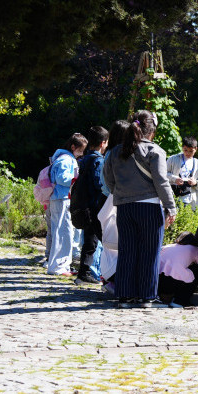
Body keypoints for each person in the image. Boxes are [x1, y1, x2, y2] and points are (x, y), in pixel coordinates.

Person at [103, 110, 177, 308]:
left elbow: (109, 179)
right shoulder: (155, 151)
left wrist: (122, 193)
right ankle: (147, 297)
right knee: (149, 253)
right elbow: (162, 182)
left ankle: (125, 296)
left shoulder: (116, 151)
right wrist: (171, 207)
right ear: (151, 131)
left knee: (127, 252)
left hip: (124, 208)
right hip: (149, 208)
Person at [47, 133, 87, 276]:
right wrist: (78, 178)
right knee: (64, 232)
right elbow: (62, 178)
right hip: (62, 198)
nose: (81, 154)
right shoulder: (66, 159)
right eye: (81, 151)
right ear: (73, 147)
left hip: (58, 198)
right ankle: (59, 267)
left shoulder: (61, 157)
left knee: (61, 232)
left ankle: (58, 265)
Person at [98, 120, 131, 295]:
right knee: (114, 240)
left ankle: (109, 279)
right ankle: (112, 280)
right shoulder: (115, 155)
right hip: (112, 199)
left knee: (110, 242)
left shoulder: (110, 153)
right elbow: (110, 182)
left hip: (108, 198)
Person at [74, 126, 109, 285]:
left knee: (89, 240)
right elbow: (99, 184)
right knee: (94, 241)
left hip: (84, 205)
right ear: (103, 143)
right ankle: (87, 273)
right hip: (95, 206)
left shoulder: (85, 158)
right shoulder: (98, 160)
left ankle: (84, 272)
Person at [157, 232, 198, 307]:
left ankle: (159, 298)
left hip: (157, 283)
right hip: (172, 284)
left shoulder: (166, 247)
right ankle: (180, 301)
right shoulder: (195, 249)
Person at [166, 136, 198, 208]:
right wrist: (174, 179)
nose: (188, 153)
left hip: (188, 197)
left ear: (196, 149)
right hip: (172, 195)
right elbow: (162, 174)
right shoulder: (173, 159)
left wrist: (195, 182)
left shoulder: (197, 163)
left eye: (191, 151)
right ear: (182, 148)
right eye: (185, 150)